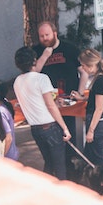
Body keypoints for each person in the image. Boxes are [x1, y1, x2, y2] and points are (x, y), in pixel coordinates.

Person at [13, 46, 71, 179]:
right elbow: (51, 106)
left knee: (49, 163)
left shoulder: (17, 81)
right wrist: (65, 127)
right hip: (50, 127)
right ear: (34, 60)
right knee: (60, 166)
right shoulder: (42, 78)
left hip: (35, 129)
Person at [32, 21, 81, 147]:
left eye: (47, 35)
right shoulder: (36, 51)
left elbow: (84, 71)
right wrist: (44, 56)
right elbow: (33, 73)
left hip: (69, 99)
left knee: (71, 133)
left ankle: (74, 160)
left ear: (55, 33)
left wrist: (80, 93)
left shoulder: (69, 48)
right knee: (55, 138)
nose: (45, 39)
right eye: (41, 36)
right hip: (49, 101)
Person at [70, 49, 103, 167]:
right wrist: (82, 98)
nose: (83, 68)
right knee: (90, 153)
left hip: (97, 123)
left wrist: (91, 130)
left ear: (90, 65)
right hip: (100, 121)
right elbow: (98, 100)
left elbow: (99, 108)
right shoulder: (102, 78)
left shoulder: (100, 81)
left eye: (84, 65)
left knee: (99, 156)